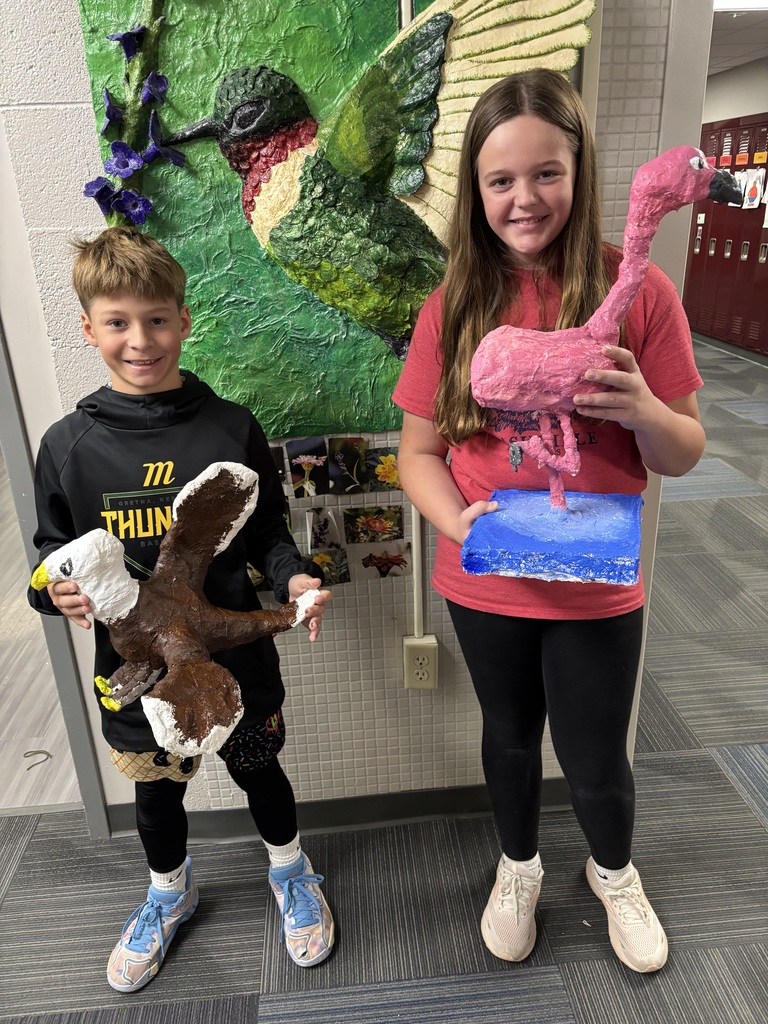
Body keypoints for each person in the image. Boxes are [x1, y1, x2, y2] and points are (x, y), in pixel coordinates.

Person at [393, 69, 706, 974]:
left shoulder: (638, 295)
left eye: (546, 173)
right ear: (475, 191)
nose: (525, 198)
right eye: (501, 180)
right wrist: (466, 525)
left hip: (596, 582)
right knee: (509, 735)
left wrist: (644, 408)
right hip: (486, 576)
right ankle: (519, 865)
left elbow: (683, 451)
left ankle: (614, 872)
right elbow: (418, 454)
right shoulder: (454, 306)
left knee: (598, 748)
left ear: (581, 171)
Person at [28, 226, 335, 992]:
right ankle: (170, 891)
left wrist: (294, 578)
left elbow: (267, 531)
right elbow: (48, 555)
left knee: (261, 771)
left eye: (157, 319)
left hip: (233, 665)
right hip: (134, 674)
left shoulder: (229, 426)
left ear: (185, 319)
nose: (141, 340)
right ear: (89, 328)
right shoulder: (68, 445)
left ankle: (292, 870)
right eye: (119, 322)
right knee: (156, 793)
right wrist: (51, 590)